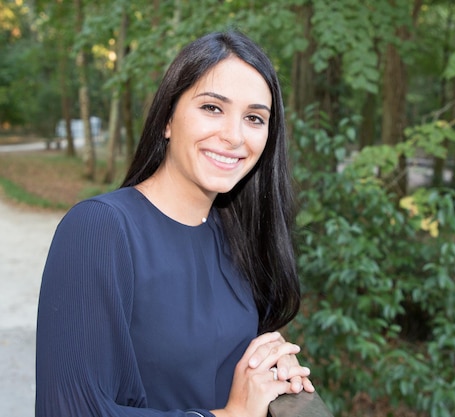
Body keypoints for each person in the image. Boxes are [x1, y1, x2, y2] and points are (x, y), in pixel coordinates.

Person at [35, 30, 314, 417]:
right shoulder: (99, 229)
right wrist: (229, 415)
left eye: (253, 118)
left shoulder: (235, 235)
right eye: (212, 108)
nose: (234, 136)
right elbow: (69, 409)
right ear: (167, 117)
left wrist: (264, 362)